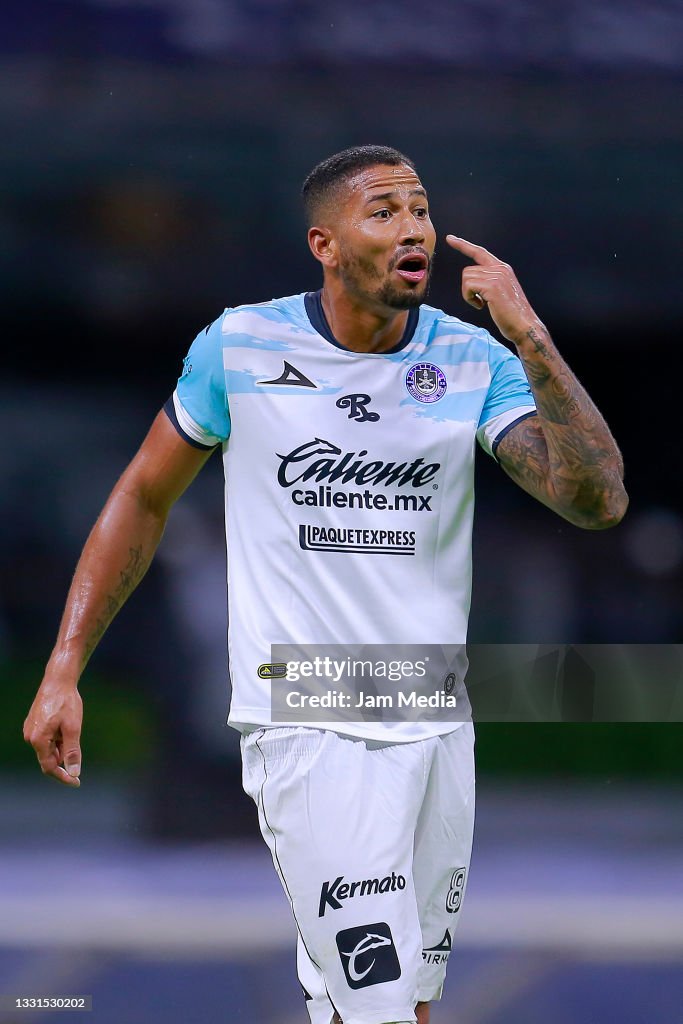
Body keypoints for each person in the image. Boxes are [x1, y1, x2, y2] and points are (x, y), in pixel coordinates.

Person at [24, 144, 627, 1024]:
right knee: (378, 1007)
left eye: (420, 209)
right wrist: (64, 666)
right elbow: (143, 495)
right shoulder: (241, 345)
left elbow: (596, 502)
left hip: (433, 712)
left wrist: (530, 339)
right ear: (325, 244)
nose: (414, 228)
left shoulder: (471, 359)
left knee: (397, 1006)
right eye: (383, 211)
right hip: (306, 716)